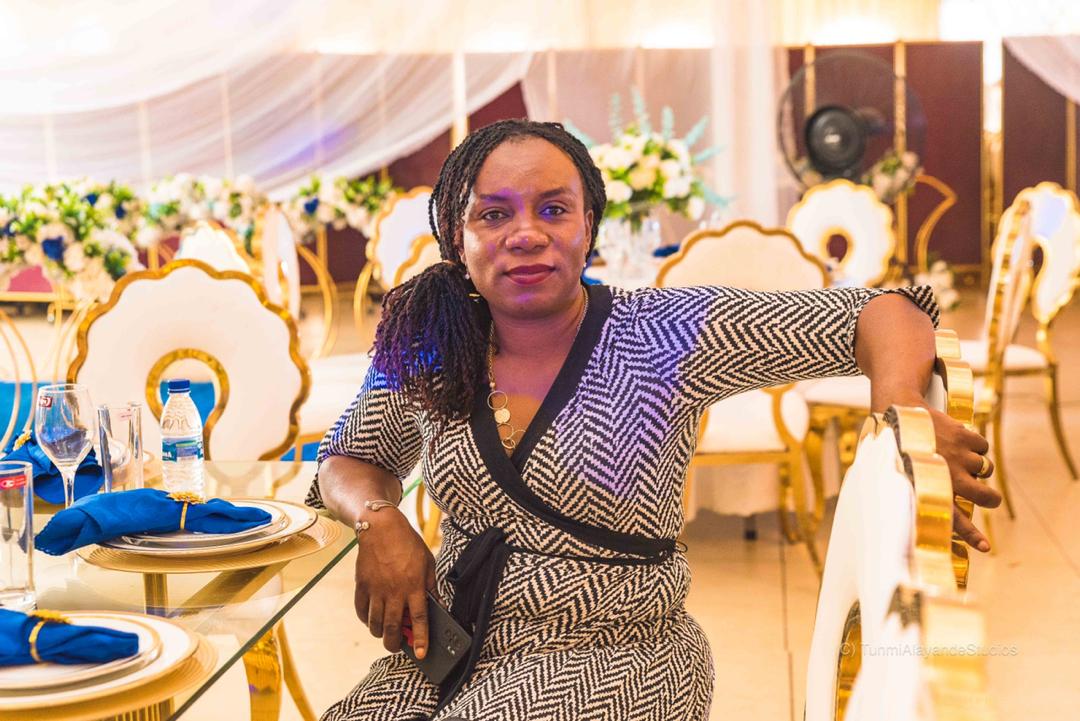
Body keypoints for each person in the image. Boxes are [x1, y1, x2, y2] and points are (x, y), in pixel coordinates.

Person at [307, 119, 1000, 721]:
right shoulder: (433, 343)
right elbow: (349, 455)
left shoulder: (662, 334)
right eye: (493, 215)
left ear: (589, 227)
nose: (525, 234)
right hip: (456, 644)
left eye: (554, 210)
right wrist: (379, 518)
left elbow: (884, 312)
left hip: (621, 654)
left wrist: (902, 410)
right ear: (457, 237)